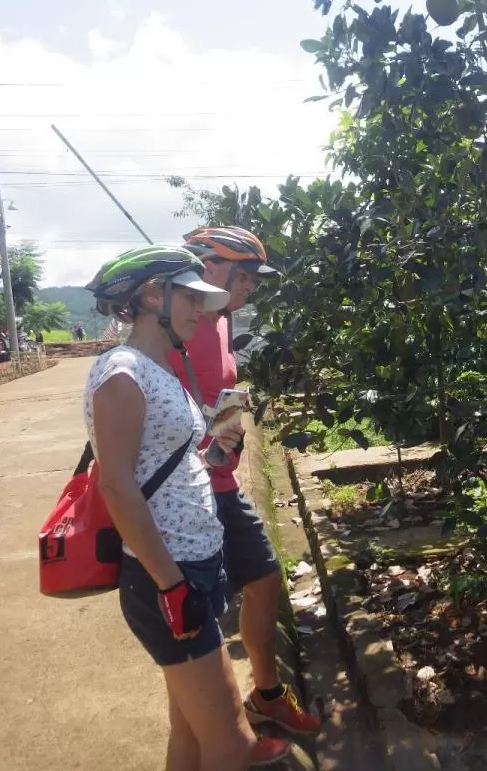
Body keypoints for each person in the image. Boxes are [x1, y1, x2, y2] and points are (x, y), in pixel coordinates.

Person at [83, 245, 290, 770]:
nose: (202, 309)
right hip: (168, 577)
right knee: (233, 745)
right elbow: (119, 487)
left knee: (192, 736)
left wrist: (222, 437)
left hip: (194, 563)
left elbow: (173, 459)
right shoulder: (122, 375)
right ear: (154, 295)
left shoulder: (156, 368)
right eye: (191, 297)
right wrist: (173, 586)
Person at [171, 226, 321, 736]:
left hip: (221, 479)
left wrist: (230, 423)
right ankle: (219, 733)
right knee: (198, 620)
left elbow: (219, 389)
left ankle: (267, 696)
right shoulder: (176, 328)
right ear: (208, 267)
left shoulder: (221, 320)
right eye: (246, 273)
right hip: (185, 495)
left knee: (263, 579)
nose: (252, 285)